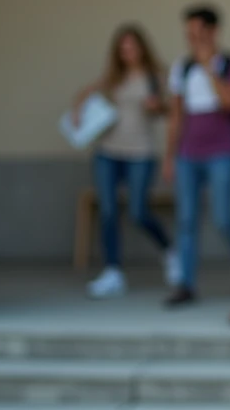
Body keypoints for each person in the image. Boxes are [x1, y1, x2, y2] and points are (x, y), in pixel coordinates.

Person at [72, 24, 177, 298]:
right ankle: (113, 272)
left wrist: (158, 107)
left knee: (138, 211)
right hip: (108, 150)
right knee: (108, 210)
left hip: (140, 152)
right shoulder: (112, 78)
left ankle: (169, 251)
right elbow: (83, 94)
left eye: (132, 47)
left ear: (142, 48)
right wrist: (77, 112)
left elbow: (173, 110)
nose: (128, 53)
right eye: (123, 49)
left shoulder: (156, 76)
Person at [163, 4, 230, 307]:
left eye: (199, 33)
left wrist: (209, 67)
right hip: (188, 154)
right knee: (186, 219)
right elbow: (176, 116)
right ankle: (185, 284)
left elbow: (229, 102)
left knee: (223, 217)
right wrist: (169, 156)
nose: (193, 40)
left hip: (222, 152)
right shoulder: (182, 68)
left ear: (214, 32)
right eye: (189, 34)